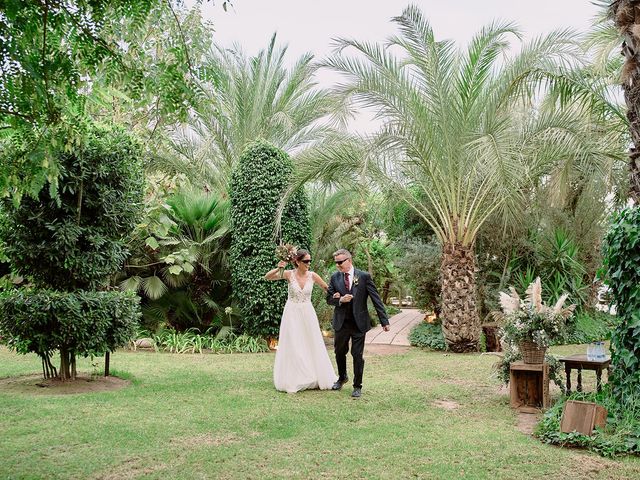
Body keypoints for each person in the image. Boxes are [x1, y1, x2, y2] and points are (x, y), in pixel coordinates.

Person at [264, 249, 338, 393]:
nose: (308, 264)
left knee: (311, 341)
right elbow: (267, 277)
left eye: (310, 261)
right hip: (292, 312)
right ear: (297, 262)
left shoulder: (313, 276)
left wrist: (336, 296)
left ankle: (314, 374)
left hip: (307, 312)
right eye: (305, 261)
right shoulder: (288, 274)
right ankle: (296, 376)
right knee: (294, 342)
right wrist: (279, 268)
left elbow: (326, 288)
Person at [326, 248, 389, 398]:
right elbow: (329, 299)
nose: (338, 265)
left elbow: (376, 299)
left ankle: (357, 386)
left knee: (357, 354)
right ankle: (342, 378)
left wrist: (384, 321)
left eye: (340, 262)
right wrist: (340, 300)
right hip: (341, 322)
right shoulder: (335, 277)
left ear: (349, 260)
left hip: (359, 323)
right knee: (339, 352)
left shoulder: (364, 276)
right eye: (336, 263)